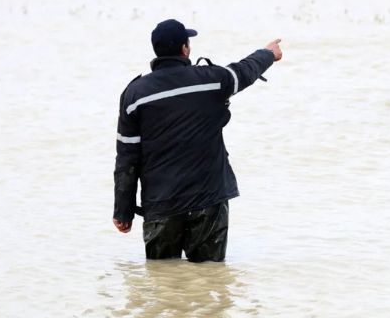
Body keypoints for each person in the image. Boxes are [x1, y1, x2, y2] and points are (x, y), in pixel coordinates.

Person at [113, 18, 283, 262]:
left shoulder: (135, 94)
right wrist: (268, 53)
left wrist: (123, 210)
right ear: (185, 49)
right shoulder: (211, 79)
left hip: (161, 205)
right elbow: (245, 71)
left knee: (163, 284)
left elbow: (127, 158)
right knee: (209, 278)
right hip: (208, 200)